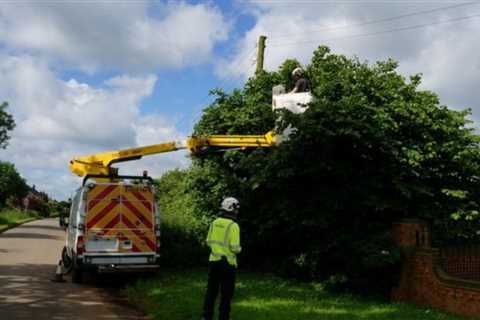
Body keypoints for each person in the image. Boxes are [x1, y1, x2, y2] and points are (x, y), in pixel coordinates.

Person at [201, 197, 242, 320]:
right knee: (226, 294)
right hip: (228, 264)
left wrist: (216, 250)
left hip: (214, 262)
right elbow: (235, 248)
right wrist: (240, 249)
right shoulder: (233, 226)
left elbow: (208, 241)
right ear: (232, 209)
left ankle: (206, 317)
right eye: (236, 209)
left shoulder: (214, 222)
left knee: (211, 291)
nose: (237, 212)